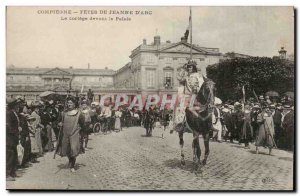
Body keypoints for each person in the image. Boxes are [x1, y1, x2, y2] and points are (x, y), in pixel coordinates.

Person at [55, 96, 85, 172]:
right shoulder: (63, 113)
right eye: (68, 103)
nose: (69, 104)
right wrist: (59, 124)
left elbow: (82, 124)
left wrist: (81, 133)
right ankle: (70, 161)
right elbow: (57, 122)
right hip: (65, 134)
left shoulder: (79, 114)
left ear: (74, 104)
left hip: (74, 134)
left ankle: (72, 165)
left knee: (73, 149)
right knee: (67, 150)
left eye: (71, 103)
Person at [6, 97, 22, 181]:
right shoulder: (8, 113)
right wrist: (17, 130)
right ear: (13, 105)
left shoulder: (13, 112)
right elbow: (8, 127)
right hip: (9, 138)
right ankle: (7, 174)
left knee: (14, 155)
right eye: (17, 104)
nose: (18, 105)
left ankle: (12, 172)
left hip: (13, 138)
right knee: (9, 155)